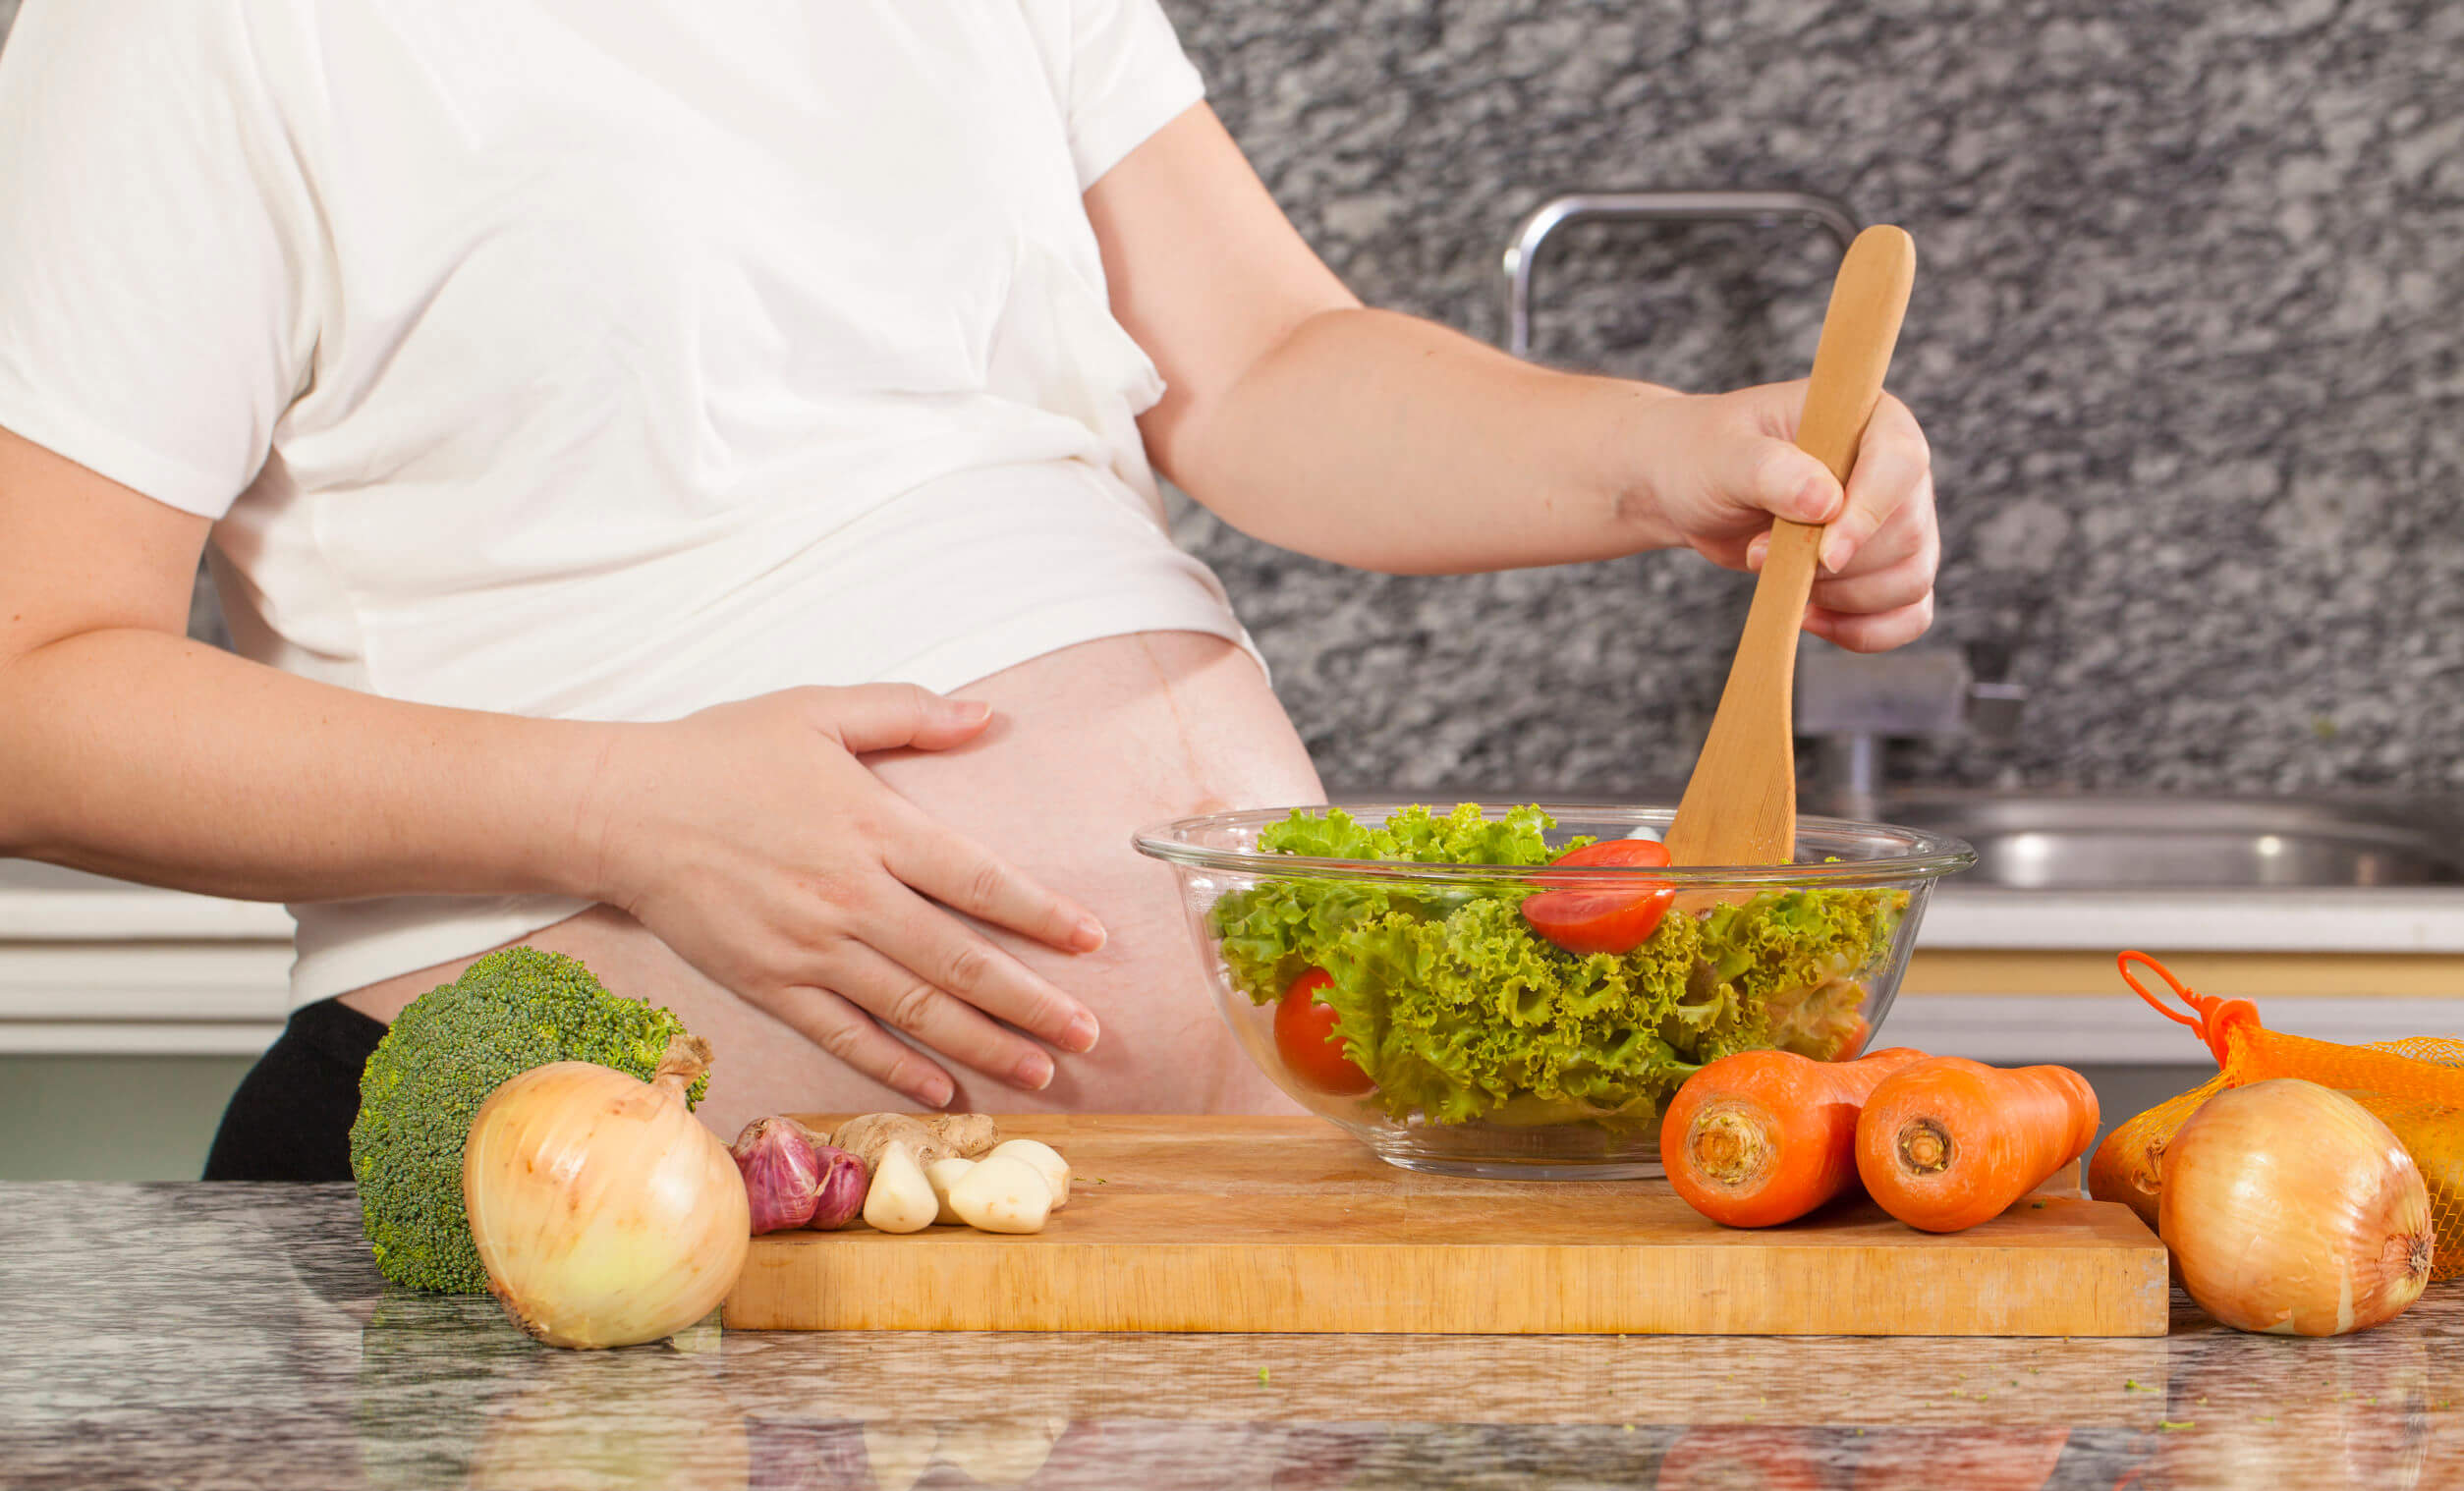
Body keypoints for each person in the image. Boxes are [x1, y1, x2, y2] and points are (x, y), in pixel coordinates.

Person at [0, 0, 1939, 1176]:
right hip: (616, 1206)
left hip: (1204, 1229)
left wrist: (1664, 450)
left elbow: (1263, 367)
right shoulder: (196, 28)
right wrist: (614, 806)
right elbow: (28, 682)